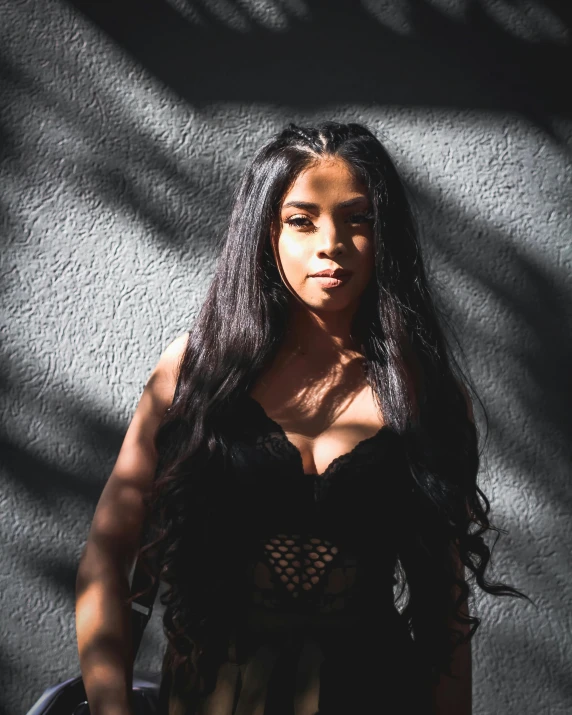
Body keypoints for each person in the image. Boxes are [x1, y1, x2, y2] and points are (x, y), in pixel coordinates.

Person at [75, 121, 529, 715]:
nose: (331, 243)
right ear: (266, 233)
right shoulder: (194, 374)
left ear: (385, 232)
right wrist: (111, 706)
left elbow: (443, 611)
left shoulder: (428, 396)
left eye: (358, 218)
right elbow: (109, 555)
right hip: (214, 695)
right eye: (302, 219)